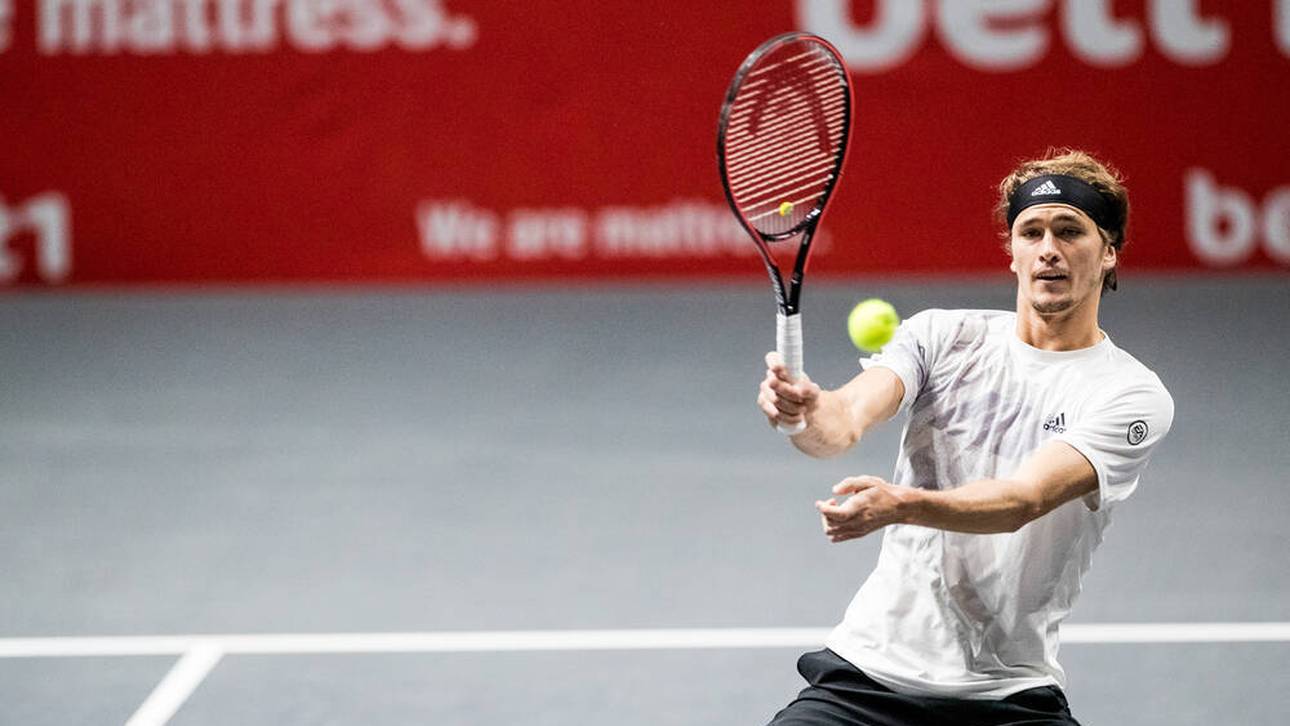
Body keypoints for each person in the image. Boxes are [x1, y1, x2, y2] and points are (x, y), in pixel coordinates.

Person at [756, 149, 1174, 726]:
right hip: (869, 678)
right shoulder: (942, 337)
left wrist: (903, 504)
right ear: (1013, 254)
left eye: (1069, 230)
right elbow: (843, 420)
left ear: (1109, 252)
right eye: (1030, 232)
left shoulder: (1129, 394)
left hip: (1009, 695)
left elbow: (1021, 501)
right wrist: (804, 411)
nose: (1047, 248)